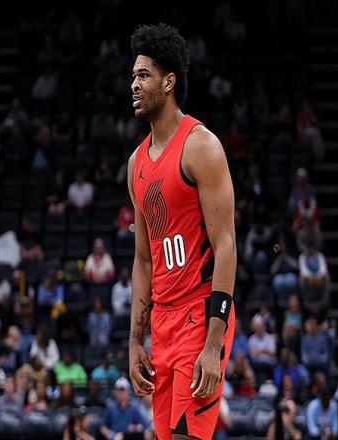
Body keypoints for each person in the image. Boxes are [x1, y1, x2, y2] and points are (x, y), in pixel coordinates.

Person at [127, 24, 236, 440]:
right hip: (163, 321)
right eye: (133, 76)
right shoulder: (136, 164)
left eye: (144, 75)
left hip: (199, 312)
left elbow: (226, 245)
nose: (134, 84)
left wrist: (214, 341)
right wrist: (135, 341)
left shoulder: (200, 146)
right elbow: (143, 259)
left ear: (168, 82)